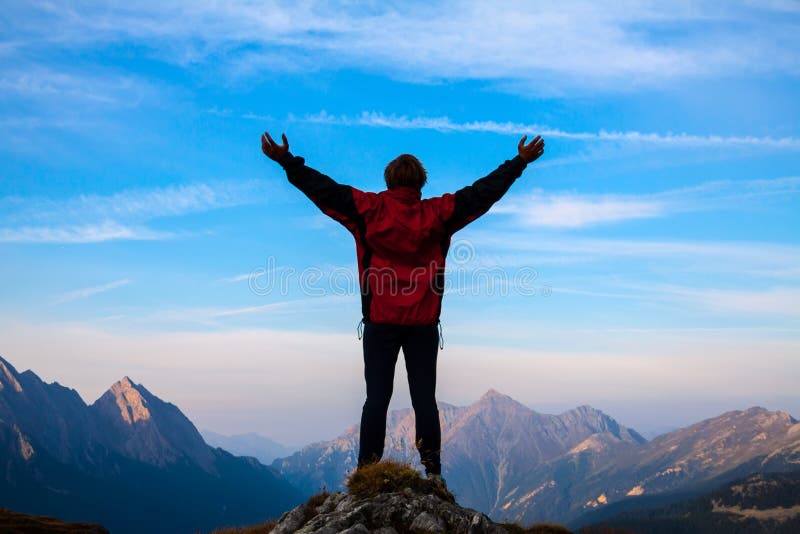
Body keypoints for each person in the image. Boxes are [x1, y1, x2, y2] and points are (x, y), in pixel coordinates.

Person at [261, 131, 545, 487]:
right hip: (423, 324)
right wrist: (518, 163)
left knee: (376, 400)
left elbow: (324, 190)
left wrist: (287, 161)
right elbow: (482, 193)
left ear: (388, 179)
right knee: (424, 400)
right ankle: (433, 473)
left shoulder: (367, 210)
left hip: (380, 322)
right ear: (421, 183)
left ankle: (366, 475)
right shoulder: (439, 213)